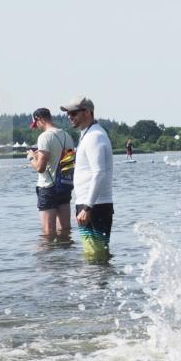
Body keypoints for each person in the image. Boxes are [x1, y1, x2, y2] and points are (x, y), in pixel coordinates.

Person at [61, 96, 114, 261]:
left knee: (95, 256)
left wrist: (87, 207)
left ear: (88, 112)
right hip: (89, 204)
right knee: (93, 255)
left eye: (74, 113)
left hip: (95, 206)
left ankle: (97, 286)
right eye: (68, 114)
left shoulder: (95, 136)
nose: (70, 117)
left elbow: (99, 173)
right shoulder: (87, 134)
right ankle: (95, 285)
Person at [27, 107, 75, 240]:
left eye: (36, 124)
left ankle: (48, 260)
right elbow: (68, 164)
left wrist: (31, 157)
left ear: (39, 119)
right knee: (65, 229)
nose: (36, 127)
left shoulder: (44, 137)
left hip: (47, 188)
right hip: (64, 186)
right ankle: (65, 258)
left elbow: (40, 168)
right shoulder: (67, 136)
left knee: (48, 233)